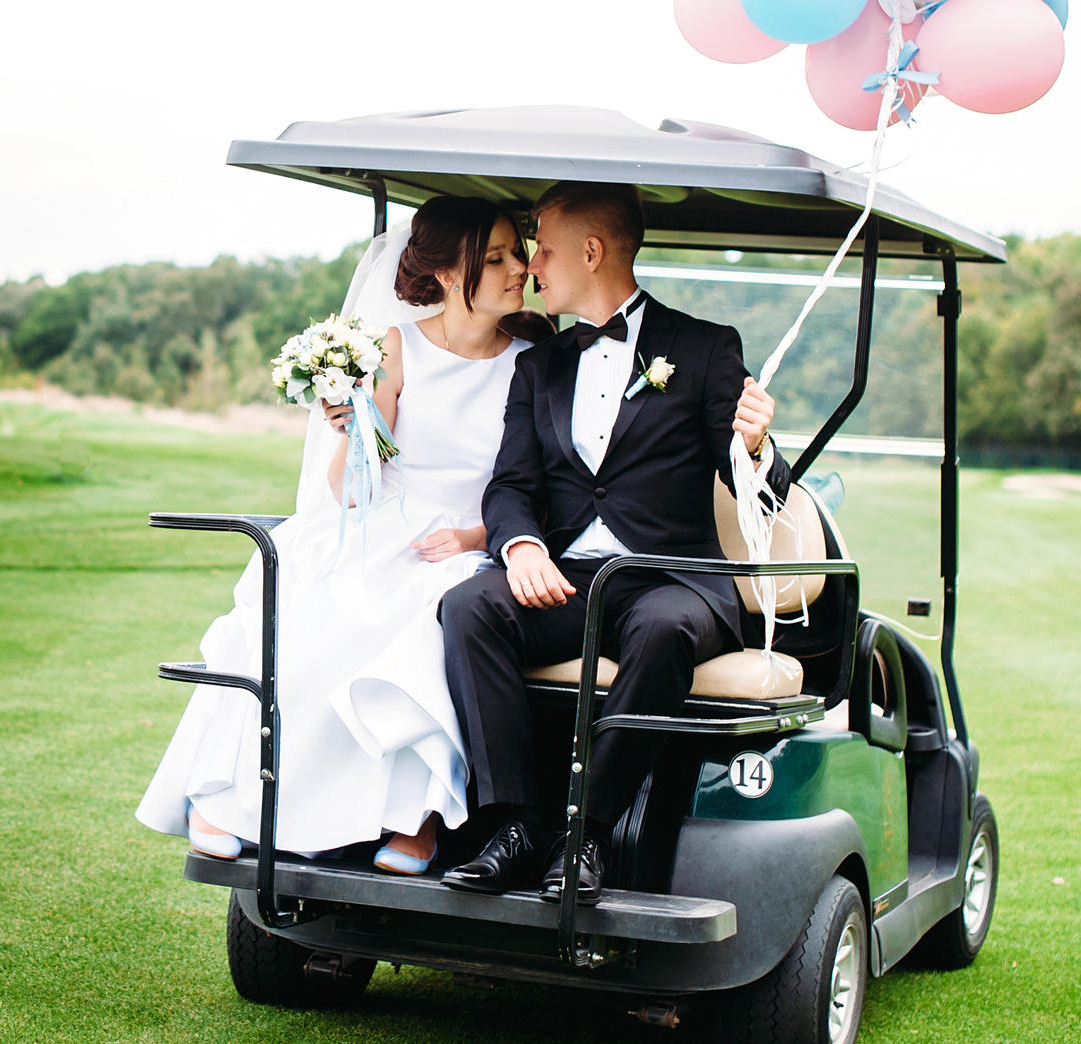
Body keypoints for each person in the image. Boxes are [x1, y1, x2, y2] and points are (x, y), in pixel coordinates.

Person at [137, 197, 550, 872]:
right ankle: (234, 800)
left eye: (518, 254)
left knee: (433, 616)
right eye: (498, 257)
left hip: (473, 540)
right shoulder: (397, 347)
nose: (519, 269)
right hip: (383, 523)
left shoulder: (533, 360)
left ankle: (414, 819)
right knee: (316, 606)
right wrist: (355, 429)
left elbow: (539, 487)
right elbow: (353, 489)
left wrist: (477, 537)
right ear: (448, 274)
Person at [438, 180, 788, 903]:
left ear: (591, 253)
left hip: (673, 580)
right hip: (572, 577)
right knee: (470, 607)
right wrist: (522, 546)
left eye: (543, 248)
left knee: (662, 628)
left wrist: (755, 445)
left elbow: (761, 486)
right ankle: (514, 825)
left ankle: (587, 832)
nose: (532, 265)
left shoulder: (703, 349)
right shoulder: (539, 365)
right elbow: (510, 486)